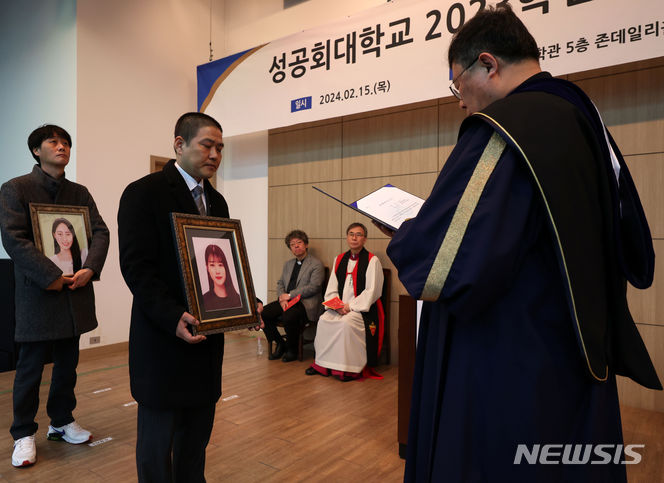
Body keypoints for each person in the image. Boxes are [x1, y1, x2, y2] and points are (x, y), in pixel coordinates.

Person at [382, 5, 661, 482]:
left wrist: (407, 233)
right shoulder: (580, 116)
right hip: (575, 345)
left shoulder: (509, 128)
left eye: (457, 84)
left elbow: (450, 266)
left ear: (487, 64)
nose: (461, 100)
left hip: (511, 356)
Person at [119, 112, 235, 482]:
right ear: (179, 144)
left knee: (195, 442)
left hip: (205, 342)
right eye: (207, 144)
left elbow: (223, 268)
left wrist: (243, 303)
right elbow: (137, 269)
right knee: (156, 446)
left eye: (220, 147)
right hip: (163, 339)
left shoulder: (217, 202)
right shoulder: (143, 193)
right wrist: (172, 317)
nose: (215, 154)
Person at [0, 124, 109, 468]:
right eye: (53, 142)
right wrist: (51, 275)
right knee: (30, 367)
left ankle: (61, 422)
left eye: (66, 143)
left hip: (75, 291)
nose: (61, 147)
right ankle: (23, 433)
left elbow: (100, 230)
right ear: (36, 150)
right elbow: (14, 238)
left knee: (67, 365)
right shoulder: (16, 188)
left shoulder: (79, 192)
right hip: (39, 293)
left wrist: (90, 267)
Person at [306, 223, 384, 381]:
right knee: (324, 320)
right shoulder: (339, 259)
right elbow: (332, 287)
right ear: (347, 237)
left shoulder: (372, 261)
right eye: (351, 234)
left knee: (345, 324)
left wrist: (350, 306)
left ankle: (347, 369)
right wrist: (337, 306)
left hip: (362, 310)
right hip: (340, 307)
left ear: (365, 239)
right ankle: (322, 364)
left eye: (359, 235)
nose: (354, 238)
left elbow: (372, 290)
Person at [261, 229, 325, 362]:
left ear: (306, 244)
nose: (296, 246)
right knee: (262, 313)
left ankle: (292, 350)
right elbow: (280, 283)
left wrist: (289, 295)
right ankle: (280, 343)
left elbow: (314, 287)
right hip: (286, 300)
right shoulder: (288, 264)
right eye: (292, 244)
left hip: (305, 303)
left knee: (288, 315)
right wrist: (281, 297)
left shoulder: (316, 264)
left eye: (299, 242)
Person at [201, 243, 241, 311]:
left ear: (226, 267)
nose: (217, 271)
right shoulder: (203, 301)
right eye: (212, 265)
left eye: (220, 265)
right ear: (207, 268)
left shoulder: (240, 300)